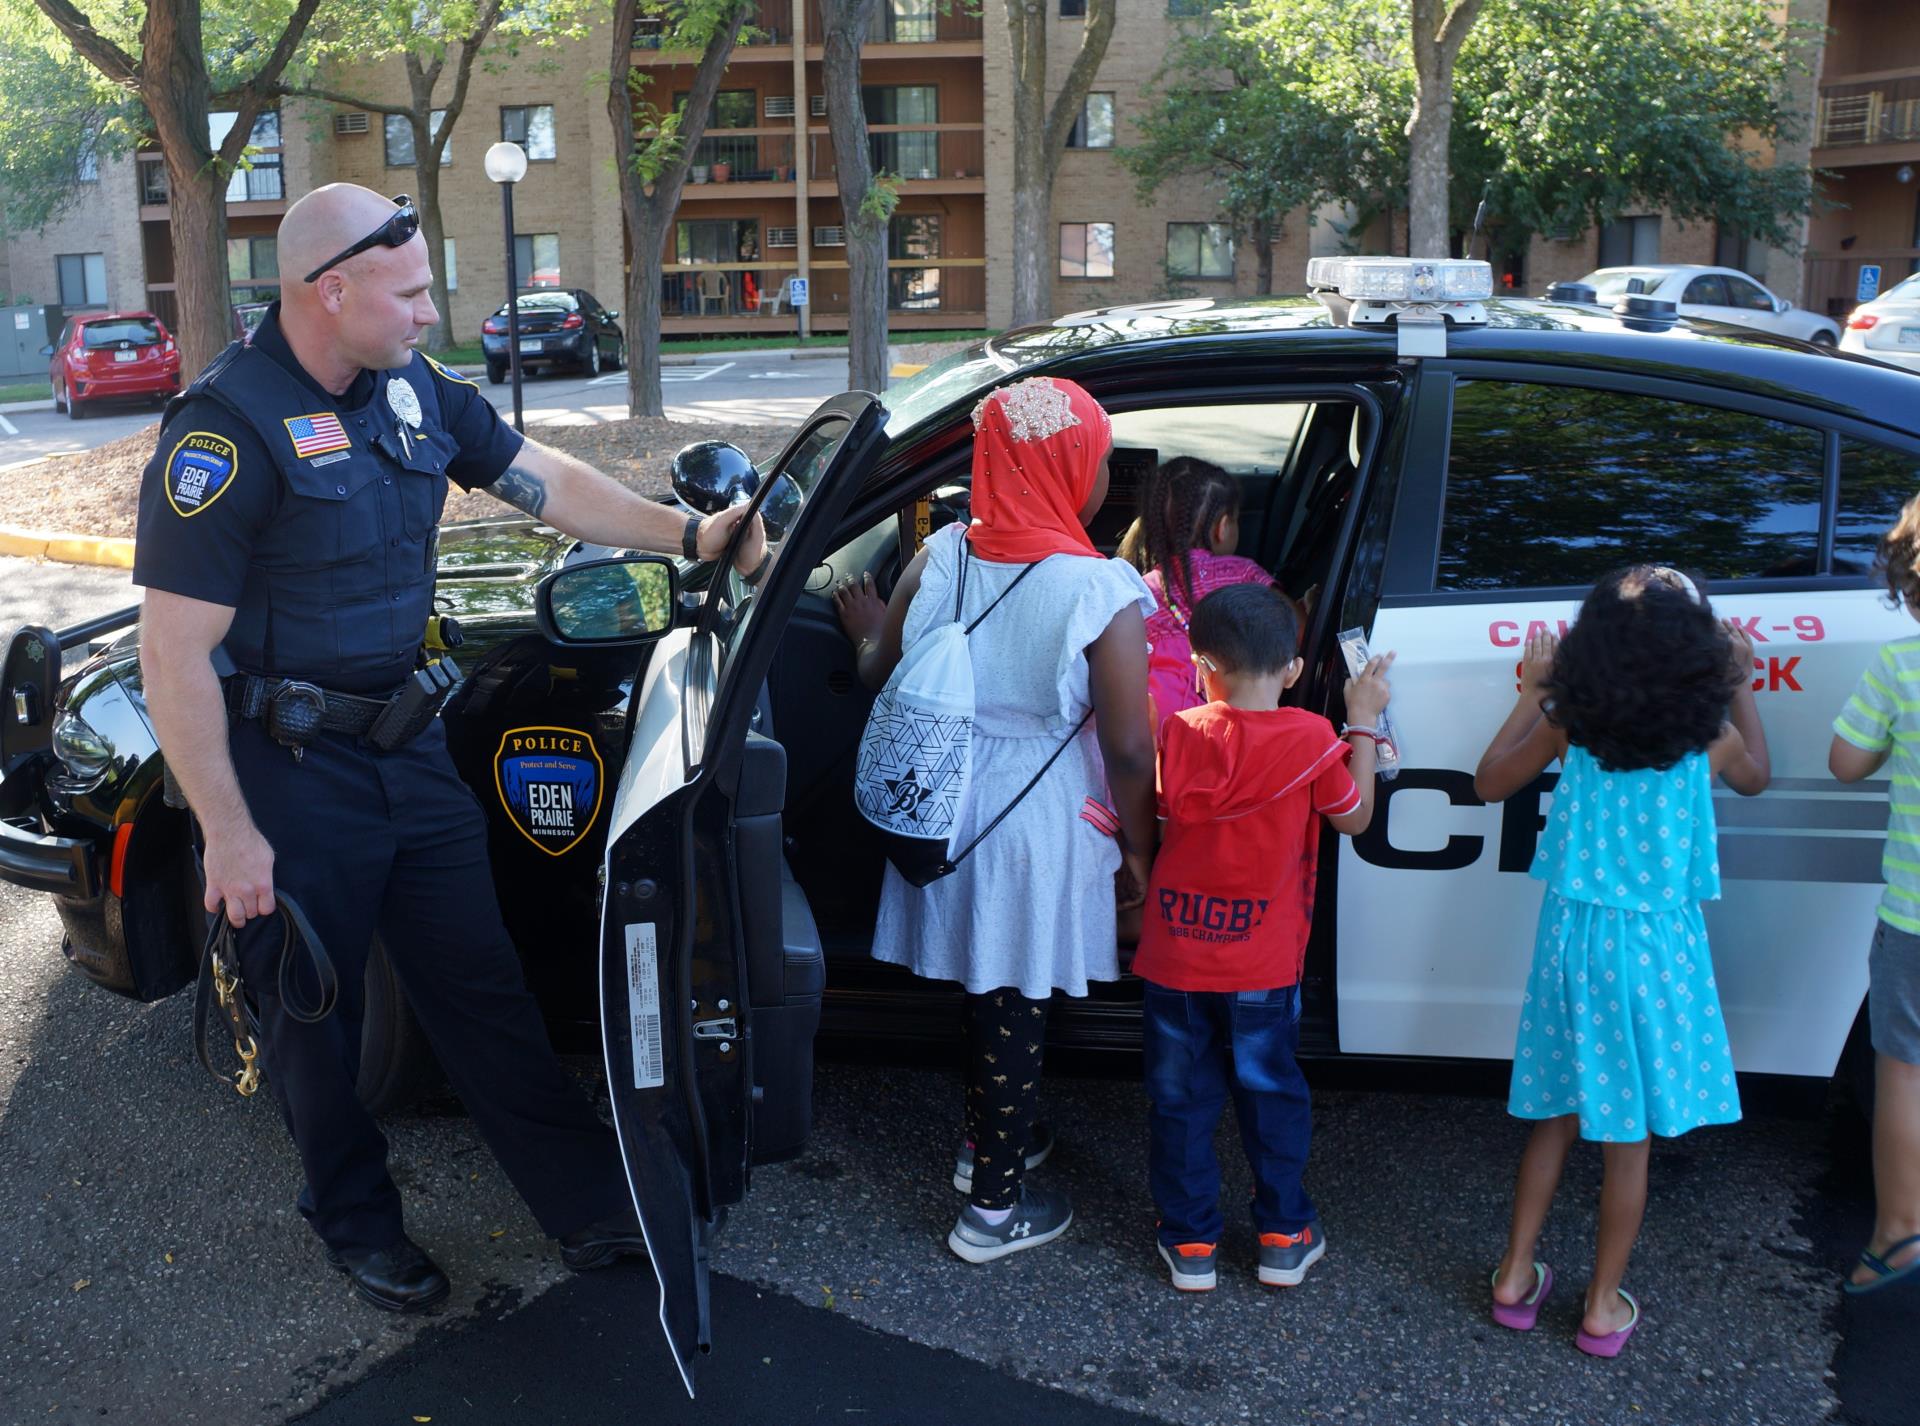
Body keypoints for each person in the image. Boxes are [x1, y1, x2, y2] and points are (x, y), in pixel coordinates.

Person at [132, 184, 767, 1313]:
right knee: (313, 1018)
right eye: (413, 291)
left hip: (410, 750)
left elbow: (546, 479)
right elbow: (174, 657)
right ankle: (355, 1220)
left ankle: (585, 1205)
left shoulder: (413, 390)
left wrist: (690, 534)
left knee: (481, 984)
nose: (434, 312)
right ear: (333, 291)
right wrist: (229, 836)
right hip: (290, 773)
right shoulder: (223, 432)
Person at [832, 376, 1156, 1263]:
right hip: (1034, 820)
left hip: (940, 803)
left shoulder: (939, 559)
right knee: (1017, 999)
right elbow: (1130, 748)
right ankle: (993, 1210)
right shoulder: (1097, 589)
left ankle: (990, 1140)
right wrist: (1141, 849)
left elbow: (879, 674)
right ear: (1067, 469)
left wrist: (862, 628)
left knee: (986, 985)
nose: (1099, 479)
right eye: (1093, 461)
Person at [1475, 567, 1769, 1356]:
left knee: (1556, 1111)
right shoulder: (1711, 738)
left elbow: (1488, 780)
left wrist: (1533, 689)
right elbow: (1758, 778)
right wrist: (1740, 686)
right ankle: (1602, 1307)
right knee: (1627, 1136)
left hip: (1574, 939)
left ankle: (1513, 1274)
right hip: (1658, 948)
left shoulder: (1571, 722)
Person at [1131, 583, 1393, 1292]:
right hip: (1263, 966)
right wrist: (1362, 725)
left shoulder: (1176, 731)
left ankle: (1189, 1243)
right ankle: (1282, 1232)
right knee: (1271, 1093)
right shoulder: (1312, 739)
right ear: (1293, 670)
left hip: (1176, 958)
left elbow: (1158, 810)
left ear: (1200, 664)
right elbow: (1356, 817)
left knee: (1180, 1101)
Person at [1828, 493, 1920, 1296]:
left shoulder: (1900, 664)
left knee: (1905, 1073)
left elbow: (1846, 763)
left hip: (1914, 920)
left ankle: (1897, 1233)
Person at [1134, 457, 1276, 733]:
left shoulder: (1139, 591)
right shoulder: (1244, 575)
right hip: (1228, 735)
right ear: (1223, 527)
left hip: (1164, 737)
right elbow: (1293, 630)